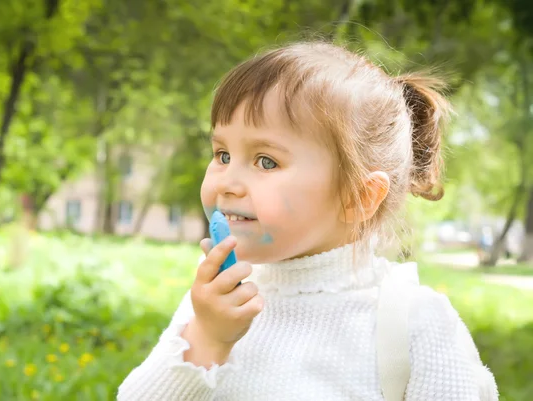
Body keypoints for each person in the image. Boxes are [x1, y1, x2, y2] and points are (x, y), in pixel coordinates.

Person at [117, 42, 498, 400]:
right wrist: (206, 340)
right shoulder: (217, 301)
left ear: (358, 198)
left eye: (266, 161)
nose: (227, 182)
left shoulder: (415, 324)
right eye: (222, 154)